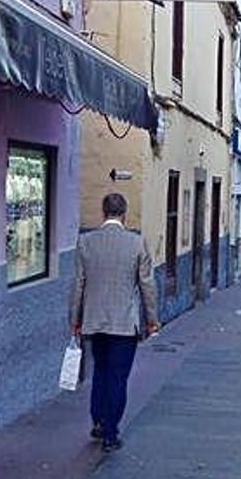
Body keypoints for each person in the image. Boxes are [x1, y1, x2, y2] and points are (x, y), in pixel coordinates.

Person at [70, 193, 160, 452]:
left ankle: (98, 421)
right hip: (124, 323)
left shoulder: (86, 242)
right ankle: (111, 432)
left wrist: (75, 320)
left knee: (100, 371)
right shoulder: (136, 243)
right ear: (124, 213)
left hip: (95, 321)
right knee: (118, 377)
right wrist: (152, 320)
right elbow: (147, 285)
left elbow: (78, 285)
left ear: (103, 212)